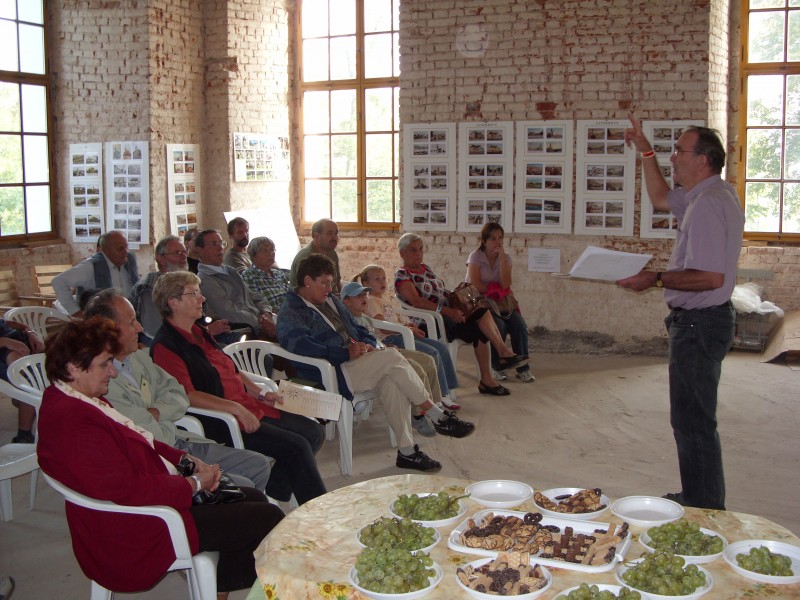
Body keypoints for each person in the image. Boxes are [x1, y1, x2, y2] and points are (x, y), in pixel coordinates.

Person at [36, 316, 284, 598]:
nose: (113, 373)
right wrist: (194, 484)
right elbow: (130, 490)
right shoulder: (73, 423)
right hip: (139, 526)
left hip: (151, 498)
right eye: (105, 364)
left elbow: (143, 440)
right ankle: (225, 586)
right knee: (267, 518)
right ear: (74, 368)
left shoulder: (80, 399)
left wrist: (185, 460)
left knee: (254, 497)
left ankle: (216, 586)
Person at [617, 115, 744, 510]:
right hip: (703, 321)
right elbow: (659, 197)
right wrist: (646, 151)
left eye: (679, 151)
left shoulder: (707, 205)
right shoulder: (709, 194)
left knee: (693, 422)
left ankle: (704, 507)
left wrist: (654, 278)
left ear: (702, 160)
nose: (673, 157)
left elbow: (709, 277)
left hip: (699, 323)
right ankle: (700, 496)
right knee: (692, 418)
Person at [277, 254, 475, 472]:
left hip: (356, 362)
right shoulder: (292, 311)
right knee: (392, 357)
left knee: (392, 381)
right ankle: (437, 415)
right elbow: (299, 346)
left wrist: (369, 344)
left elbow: (359, 327)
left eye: (330, 283)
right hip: (331, 371)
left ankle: (407, 452)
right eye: (324, 283)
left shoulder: (331, 300)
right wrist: (343, 353)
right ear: (307, 281)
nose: (329, 288)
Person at [150, 271, 326, 505]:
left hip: (247, 404)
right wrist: (234, 408)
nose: (202, 298)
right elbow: (187, 396)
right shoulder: (166, 346)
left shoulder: (198, 330)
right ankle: (318, 509)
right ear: (173, 302)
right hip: (221, 419)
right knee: (297, 446)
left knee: (314, 432)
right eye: (194, 294)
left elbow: (229, 367)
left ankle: (273, 488)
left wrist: (260, 392)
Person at [84, 289, 272, 493]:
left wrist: (157, 412)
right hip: (160, 454)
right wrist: (165, 411)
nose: (140, 327)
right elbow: (143, 428)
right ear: (108, 331)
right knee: (245, 486)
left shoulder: (138, 358)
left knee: (258, 465)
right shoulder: (100, 381)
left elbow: (178, 392)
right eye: (131, 323)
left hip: (181, 438)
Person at [394, 233, 528, 396]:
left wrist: (458, 298)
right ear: (402, 253)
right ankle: (502, 354)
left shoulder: (425, 269)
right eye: (413, 250)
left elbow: (441, 292)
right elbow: (417, 302)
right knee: (480, 319)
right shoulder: (402, 275)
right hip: (430, 322)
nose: (418, 254)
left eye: (421, 249)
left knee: (481, 315)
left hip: (448, 315)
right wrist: (448, 311)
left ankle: (488, 377)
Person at [339, 281, 445, 436]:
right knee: (415, 367)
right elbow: (361, 346)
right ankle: (418, 415)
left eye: (364, 295)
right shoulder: (348, 322)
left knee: (428, 360)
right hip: (375, 357)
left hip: (384, 349)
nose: (363, 298)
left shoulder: (366, 320)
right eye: (358, 296)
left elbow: (375, 340)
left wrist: (386, 347)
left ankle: (435, 405)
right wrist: (382, 348)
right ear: (346, 301)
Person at [355, 264, 461, 410]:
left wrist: (409, 325)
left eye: (384, 278)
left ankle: (448, 389)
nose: (382, 282)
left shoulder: (384, 300)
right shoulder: (371, 300)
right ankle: (440, 396)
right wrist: (407, 329)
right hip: (390, 338)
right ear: (366, 284)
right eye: (377, 279)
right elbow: (383, 326)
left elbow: (396, 319)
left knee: (441, 348)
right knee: (432, 353)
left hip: (402, 333)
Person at [466, 223, 535, 383]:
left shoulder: (506, 258)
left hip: (501, 302)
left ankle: (523, 368)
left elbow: (505, 283)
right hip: (481, 302)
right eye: (492, 238)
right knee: (499, 326)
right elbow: (476, 284)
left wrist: (502, 258)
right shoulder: (475, 256)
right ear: (484, 241)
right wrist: (494, 291)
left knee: (519, 325)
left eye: (500, 238)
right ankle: (497, 367)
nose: (497, 242)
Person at [195, 229, 277, 340]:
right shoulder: (205, 279)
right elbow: (229, 313)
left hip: (262, 321)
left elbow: (253, 296)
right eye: (213, 244)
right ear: (200, 250)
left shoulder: (230, 271)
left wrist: (266, 313)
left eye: (221, 243)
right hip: (245, 331)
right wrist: (262, 322)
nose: (220, 248)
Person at [52, 230, 140, 316]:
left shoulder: (129, 261)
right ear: (106, 250)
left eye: (126, 247)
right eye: (120, 249)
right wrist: (74, 311)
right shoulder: (91, 266)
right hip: (101, 319)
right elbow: (58, 281)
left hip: (127, 316)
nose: (125, 252)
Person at [0, 319, 44, 443]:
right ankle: (24, 435)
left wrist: (30, 333)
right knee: (29, 378)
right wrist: (7, 342)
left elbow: (10, 323)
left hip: (18, 340)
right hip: (7, 350)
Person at [289, 218, 342, 292]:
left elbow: (337, 282)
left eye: (336, 233)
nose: (334, 238)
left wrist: (342, 296)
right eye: (329, 233)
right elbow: (306, 292)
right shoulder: (306, 257)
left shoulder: (332, 253)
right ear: (316, 236)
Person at [241, 237, 293, 311]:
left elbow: (291, 296)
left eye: (272, 249)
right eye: (265, 251)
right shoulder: (249, 276)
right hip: (275, 315)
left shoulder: (279, 273)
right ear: (253, 255)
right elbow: (256, 305)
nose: (271, 253)